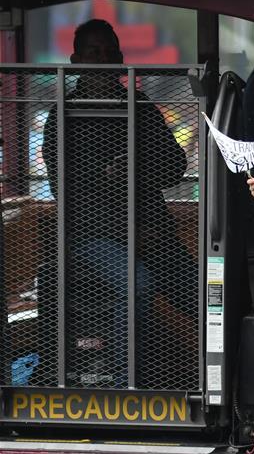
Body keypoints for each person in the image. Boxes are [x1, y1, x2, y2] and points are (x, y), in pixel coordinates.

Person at [42, 19, 192, 387]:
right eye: (94, 52)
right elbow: (70, 195)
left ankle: (216, 381)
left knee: (203, 292)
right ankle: (128, 385)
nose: (104, 60)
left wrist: (137, 168)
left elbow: (175, 163)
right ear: (76, 60)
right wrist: (128, 233)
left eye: (110, 53)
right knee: (136, 282)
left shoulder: (137, 104)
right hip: (91, 240)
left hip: (153, 235)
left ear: (122, 58)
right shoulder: (63, 114)